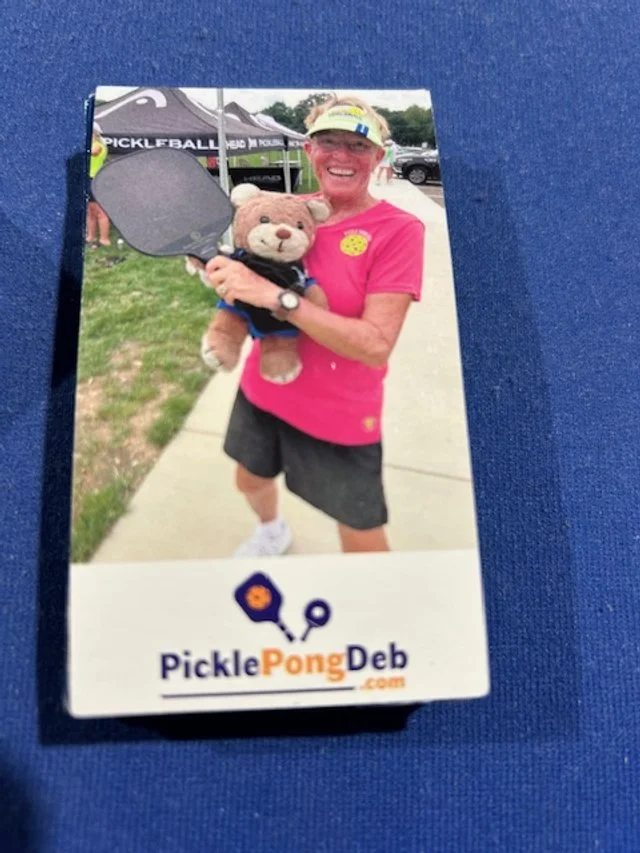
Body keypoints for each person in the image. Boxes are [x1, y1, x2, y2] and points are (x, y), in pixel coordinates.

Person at [196, 95, 425, 557]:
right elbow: (243, 268)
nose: (342, 156)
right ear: (309, 150)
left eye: (357, 146)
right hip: (264, 388)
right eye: (328, 142)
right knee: (248, 479)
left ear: (378, 156)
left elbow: (376, 345)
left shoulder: (399, 230)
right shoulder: (284, 210)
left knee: (361, 534)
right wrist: (223, 274)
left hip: (340, 413)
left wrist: (278, 299)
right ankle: (272, 532)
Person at [86, 125, 111, 248]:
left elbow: (94, 152)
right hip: (87, 179)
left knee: (100, 211)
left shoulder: (98, 145)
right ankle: (91, 236)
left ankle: (104, 239)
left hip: (95, 179)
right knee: (90, 211)